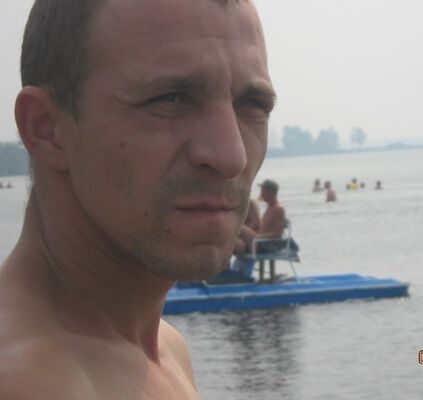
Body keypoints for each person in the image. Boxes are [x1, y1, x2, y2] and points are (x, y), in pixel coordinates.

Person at [0, 0, 275, 398]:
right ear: (46, 128)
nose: (232, 156)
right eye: (171, 99)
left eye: (251, 105)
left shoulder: (165, 348)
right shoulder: (24, 382)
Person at [236, 179, 286, 254]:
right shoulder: (270, 207)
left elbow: (278, 233)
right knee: (235, 244)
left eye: (263, 191)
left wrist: (258, 236)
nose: (261, 194)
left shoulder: (279, 209)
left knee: (238, 227)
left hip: (266, 244)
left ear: (270, 192)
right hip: (259, 241)